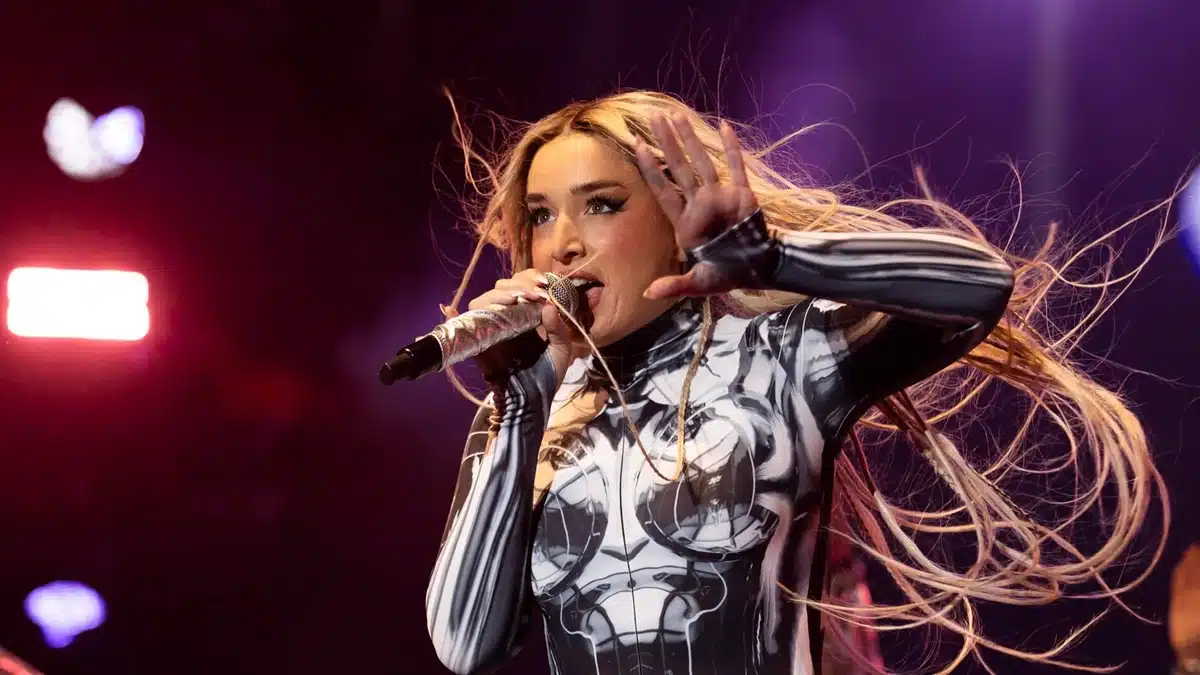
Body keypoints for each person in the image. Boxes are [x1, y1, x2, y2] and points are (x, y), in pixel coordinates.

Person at [422, 90, 1168, 675]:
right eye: (540, 215)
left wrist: (776, 259)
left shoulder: (779, 358)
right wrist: (519, 407)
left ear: (675, 215)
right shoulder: (523, 413)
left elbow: (980, 285)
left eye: (602, 204)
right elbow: (463, 646)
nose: (562, 244)